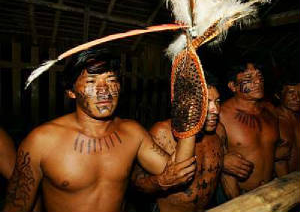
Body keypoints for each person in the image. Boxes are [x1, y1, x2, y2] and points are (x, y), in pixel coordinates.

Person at [3, 49, 196, 212]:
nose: (104, 90)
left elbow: (179, 173)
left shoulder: (132, 133)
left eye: (111, 80)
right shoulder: (42, 141)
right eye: (91, 82)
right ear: (71, 92)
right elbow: (16, 206)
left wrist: (189, 114)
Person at [131, 72, 224, 212]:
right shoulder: (162, 132)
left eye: (217, 101)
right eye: (206, 102)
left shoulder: (220, 131)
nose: (215, 110)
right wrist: (161, 182)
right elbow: (137, 182)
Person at [219, 60, 289, 199]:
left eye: (260, 77)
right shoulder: (220, 115)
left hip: (271, 191)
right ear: (233, 86)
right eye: (249, 78)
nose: (258, 82)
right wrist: (221, 161)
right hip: (237, 197)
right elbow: (206, 155)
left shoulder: (270, 110)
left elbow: (275, 153)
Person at [275, 77, 300, 172]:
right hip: (282, 183)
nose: (297, 98)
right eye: (291, 93)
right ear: (278, 95)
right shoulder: (271, 120)